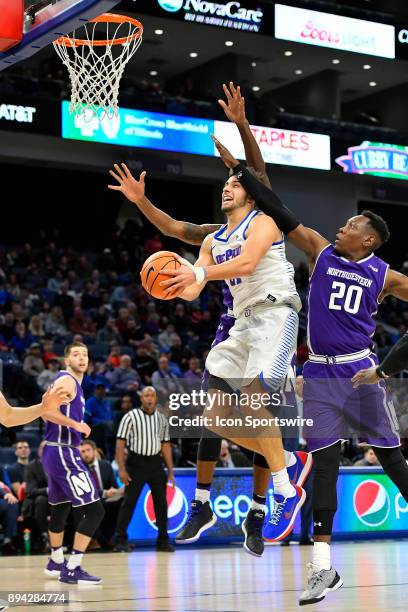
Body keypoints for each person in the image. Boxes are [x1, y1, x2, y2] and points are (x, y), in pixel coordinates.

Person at [108, 82, 312, 557]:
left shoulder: (264, 220)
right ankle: (283, 479)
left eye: (234, 183)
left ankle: (282, 489)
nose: (227, 186)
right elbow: (178, 234)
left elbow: (243, 264)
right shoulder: (213, 238)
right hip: (241, 324)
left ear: (251, 192)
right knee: (215, 417)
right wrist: (141, 203)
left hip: (276, 315)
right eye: (225, 183)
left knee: (259, 399)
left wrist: (242, 128)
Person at [212, 134, 408, 604]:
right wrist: (241, 162)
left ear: (369, 240)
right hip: (319, 373)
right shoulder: (319, 251)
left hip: (359, 370)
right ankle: (322, 569)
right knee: (323, 466)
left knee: (391, 458)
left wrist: (387, 368)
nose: (340, 228)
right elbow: (274, 205)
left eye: (350, 226)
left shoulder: (387, 275)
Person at [41, 342, 105, 585]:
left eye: (85, 354)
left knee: (60, 508)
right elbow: (46, 411)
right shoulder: (67, 380)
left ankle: (56, 561)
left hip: (53, 453)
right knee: (95, 510)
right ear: (67, 359)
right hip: (63, 452)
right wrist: (76, 425)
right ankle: (72, 567)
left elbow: (44, 402)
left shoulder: (67, 382)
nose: (82, 358)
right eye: (76, 354)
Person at [114, 387, 175, 553]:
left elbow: (166, 446)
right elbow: (120, 444)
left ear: (156, 399)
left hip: (156, 464)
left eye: (152, 395)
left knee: (161, 504)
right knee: (129, 502)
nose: (149, 398)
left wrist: (170, 471)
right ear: (141, 399)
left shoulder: (161, 419)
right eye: (146, 395)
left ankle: (163, 540)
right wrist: (121, 469)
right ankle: (120, 540)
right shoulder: (130, 417)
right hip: (136, 463)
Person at [79, 439, 123, 550]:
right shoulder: (78, 468)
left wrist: (118, 492)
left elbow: (114, 485)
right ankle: (94, 540)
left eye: (88, 450)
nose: (85, 454)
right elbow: (84, 492)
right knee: (94, 505)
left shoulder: (106, 465)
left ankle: (115, 538)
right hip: (89, 500)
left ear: (94, 451)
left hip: (106, 499)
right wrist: (104, 493)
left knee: (123, 503)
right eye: (82, 452)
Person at [23, 440, 49, 552]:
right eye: (43, 448)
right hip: (38, 499)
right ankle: (45, 536)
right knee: (41, 500)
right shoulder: (31, 467)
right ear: (38, 451)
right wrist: (49, 490)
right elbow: (31, 490)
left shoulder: (60, 465)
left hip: (59, 498)